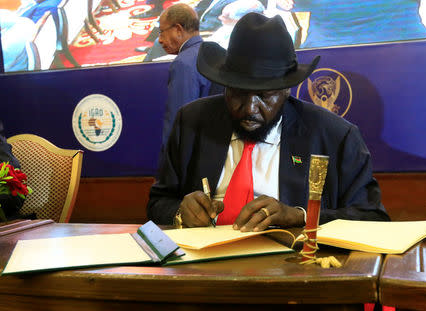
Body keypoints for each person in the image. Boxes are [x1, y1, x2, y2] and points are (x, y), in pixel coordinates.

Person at [147, 12, 390, 231]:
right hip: (204, 271)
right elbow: (158, 203)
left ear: (286, 90)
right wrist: (180, 212)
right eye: (238, 93)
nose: (250, 108)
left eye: (264, 96)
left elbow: (373, 218)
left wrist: (299, 216)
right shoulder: (191, 123)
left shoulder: (335, 136)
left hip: (293, 272)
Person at [157, 3, 224, 149]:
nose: (160, 40)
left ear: (178, 29)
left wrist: (169, 162)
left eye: (162, 32)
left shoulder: (183, 63)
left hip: (196, 151)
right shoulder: (216, 51)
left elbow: (179, 120)